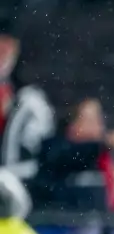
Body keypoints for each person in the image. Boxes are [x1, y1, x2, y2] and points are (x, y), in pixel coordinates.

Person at [0, 15, 53, 186]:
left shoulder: (31, 99)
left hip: (17, 187)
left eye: (9, 46)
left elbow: (43, 147)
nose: (3, 51)